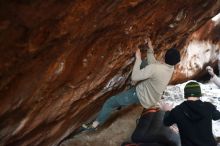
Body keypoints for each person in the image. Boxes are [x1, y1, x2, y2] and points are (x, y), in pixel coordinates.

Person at [81, 39, 181, 131]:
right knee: (145, 63)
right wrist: (150, 49)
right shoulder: (170, 68)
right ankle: (122, 100)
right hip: (153, 96)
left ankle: (95, 125)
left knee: (110, 102)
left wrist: (137, 59)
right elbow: (153, 64)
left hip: (141, 95)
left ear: (164, 56)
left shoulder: (156, 68)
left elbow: (135, 76)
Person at [160, 81, 220, 146]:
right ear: (199, 94)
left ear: (185, 95)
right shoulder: (209, 107)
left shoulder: (177, 110)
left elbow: (166, 123)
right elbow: (217, 116)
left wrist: (167, 111)